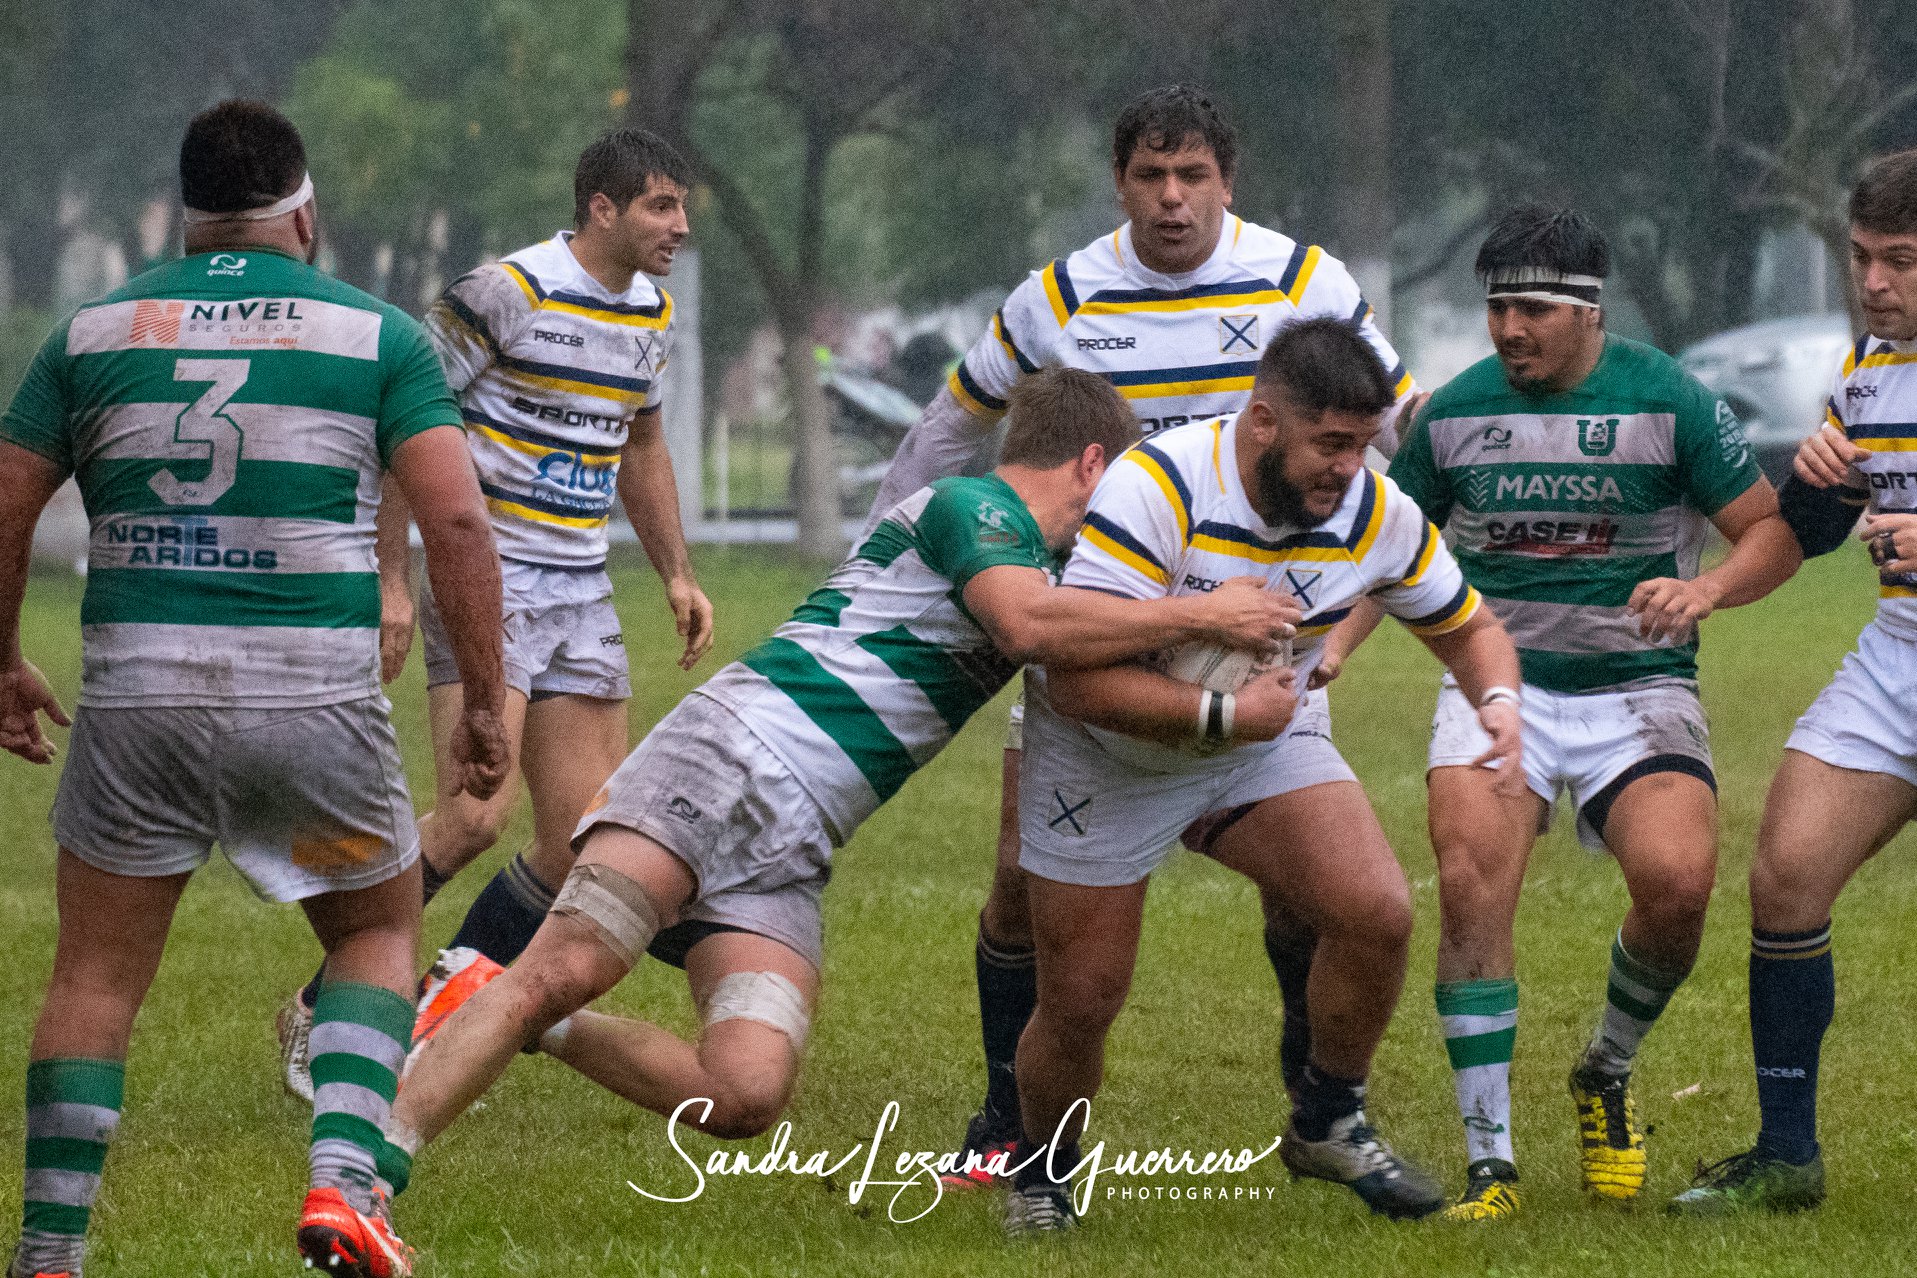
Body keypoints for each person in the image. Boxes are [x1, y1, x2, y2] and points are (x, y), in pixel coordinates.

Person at [376, 369, 1297, 1255]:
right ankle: (363, 1182)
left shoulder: (1043, 564)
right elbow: (1027, 629)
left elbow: (1086, 653)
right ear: (1093, 465)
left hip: (794, 846)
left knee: (742, 1096)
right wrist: (1206, 619)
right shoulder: (973, 509)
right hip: (732, 759)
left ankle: (489, 1002)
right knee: (563, 968)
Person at [863, 83, 1423, 1180]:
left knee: (1313, 886)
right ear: (1120, 182)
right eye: (1150, 178)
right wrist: (882, 552)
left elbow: (1396, 433)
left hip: (1254, 623)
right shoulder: (1060, 297)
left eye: (1193, 176)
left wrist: (1360, 593)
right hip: (1096, 633)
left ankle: (1314, 1099)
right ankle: (1007, 1126)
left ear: (1228, 179)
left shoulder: (1306, 284)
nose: (1172, 200)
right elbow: (952, 423)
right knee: (1022, 884)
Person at [0, 101, 507, 1278]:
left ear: (189, 210)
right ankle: (342, 1189)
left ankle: (45, 1253)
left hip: (136, 705)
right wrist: (483, 696)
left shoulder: (91, 327)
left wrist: (1, 654)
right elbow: (456, 518)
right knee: (377, 928)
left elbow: (10, 494)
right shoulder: (376, 335)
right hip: (311, 707)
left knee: (92, 976)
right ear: (306, 209)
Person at [1312, 205, 1797, 1219]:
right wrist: (1336, 647)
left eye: (1531, 307)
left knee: (1678, 888)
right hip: (1499, 690)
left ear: (1587, 311)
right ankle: (1492, 1165)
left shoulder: (1668, 398)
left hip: (1638, 688)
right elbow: (1389, 549)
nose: (1507, 329)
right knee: (1469, 885)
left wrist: (1705, 592)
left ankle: (1605, 1072)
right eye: (1497, 307)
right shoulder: (1452, 414)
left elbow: (1767, 534)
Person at [1002, 318, 1525, 1234]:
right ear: (1261, 423)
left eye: (1362, 445)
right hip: (1106, 755)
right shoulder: (1157, 485)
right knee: (1081, 999)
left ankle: (1326, 1117)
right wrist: (1218, 701)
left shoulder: (1373, 512)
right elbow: (1073, 681)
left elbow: (1470, 628)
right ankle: (1042, 1177)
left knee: (1375, 912)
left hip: (1260, 740)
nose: (1346, 468)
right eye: (1328, 443)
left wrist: (1498, 704)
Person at [276, 129, 715, 1100]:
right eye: (661, 206)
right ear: (603, 207)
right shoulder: (504, 294)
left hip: (584, 588)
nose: (681, 226)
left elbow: (639, 445)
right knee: (477, 815)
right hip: (490, 580)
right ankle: (322, 1007)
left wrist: (676, 572)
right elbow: (405, 427)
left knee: (577, 847)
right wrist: (393, 579)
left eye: (681, 207)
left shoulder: (651, 311)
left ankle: (435, 1016)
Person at [1669, 149, 1917, 1215]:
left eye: (1901, 261)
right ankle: (1787, 1153)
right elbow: (1815, 534)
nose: (1873, 284)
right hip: (1899, 654)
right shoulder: (1867, 364)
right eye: (1861, 258)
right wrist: (1811, 488)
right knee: (1786, 873)